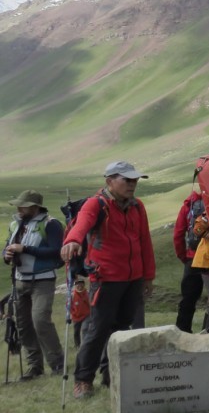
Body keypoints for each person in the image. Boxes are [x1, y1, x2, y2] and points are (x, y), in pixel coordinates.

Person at [62, 162, 156, 399]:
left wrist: (148, 277)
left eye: (135, 180)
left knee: (122, 329)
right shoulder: (97, 204)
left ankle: (111, 375)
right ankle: (83, 380)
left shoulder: (137, 206)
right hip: (106, 278)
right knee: (98, 329)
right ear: (110, 181)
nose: (132, 184)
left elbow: (144, 241)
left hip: (133, 279)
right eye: (127, 180)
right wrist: (72, 240)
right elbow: (82, 222)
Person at [3, 190, 65, 380]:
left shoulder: (51, 224)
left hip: (43, 280)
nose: (19, 209)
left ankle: (57, 363)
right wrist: (6, 255)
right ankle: (34, 366)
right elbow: (6, 247)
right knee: (24, 325)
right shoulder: (15, 224)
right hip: (20, 280)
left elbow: (56, 251)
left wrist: (25, 249)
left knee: (40, 321)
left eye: (23, 206)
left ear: (34, 206)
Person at [172, 191, 204, 333]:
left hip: (192, 257)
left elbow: (178, 234)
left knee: (188, 300)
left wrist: (183, 257)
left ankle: (182, 333)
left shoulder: (188, 205)